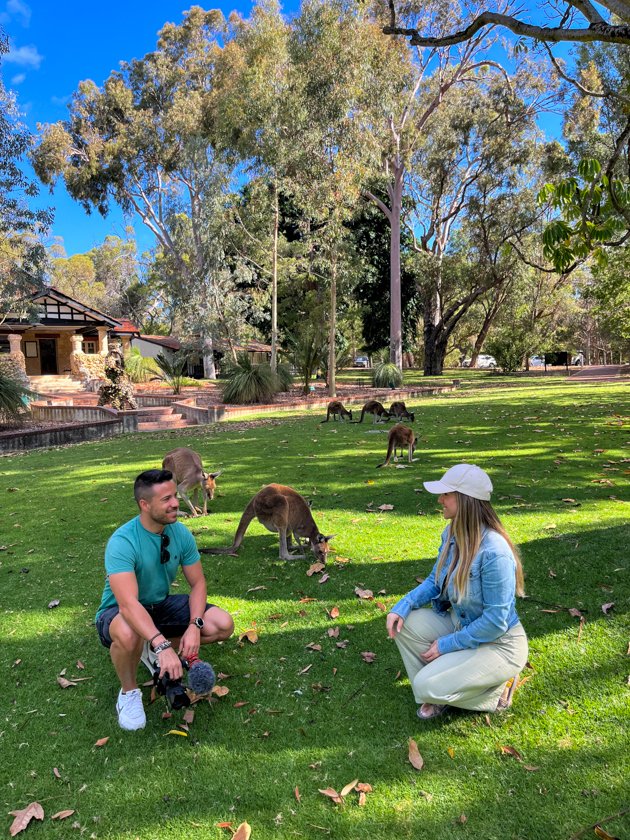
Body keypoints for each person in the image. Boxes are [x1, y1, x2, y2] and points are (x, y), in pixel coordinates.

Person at [95, 469, 234, 731]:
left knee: (222, 624)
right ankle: (129, 692)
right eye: (166, 499)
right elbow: (127, 605)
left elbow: (198, 583)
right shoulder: (123, 541)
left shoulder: (179, 533)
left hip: (159, 606)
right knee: (128, 633)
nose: (175, 503)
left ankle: (152, 651)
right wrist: (161, 645)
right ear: (144, 505)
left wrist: (194, 624)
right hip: (118, 612)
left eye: (174, 496)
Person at [386, 464, 528, 720]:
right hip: (461, 624)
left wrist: (446, 645)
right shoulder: (451, 533)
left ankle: (496, 689)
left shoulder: (495, 552)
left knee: (424, 685)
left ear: (465, 500)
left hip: (498, 643)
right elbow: (434, 580)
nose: (439, 500)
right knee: (404, 624)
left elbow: (496, 622)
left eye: (446, 494)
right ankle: (446, 687)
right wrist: (403, 605)